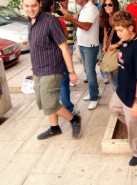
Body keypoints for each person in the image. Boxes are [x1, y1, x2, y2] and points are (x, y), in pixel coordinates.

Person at [23, 0, 82, 140]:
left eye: (34, 6)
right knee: (43, 101)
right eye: (27, 6)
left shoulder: (50, 21)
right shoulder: (30, 22)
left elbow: (64, 47)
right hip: (38, 69)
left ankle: (74, 119)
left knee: (49, 102)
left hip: (52, 68)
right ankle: (54, 128)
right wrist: (32, 68)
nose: (30, 9)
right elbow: (35, 48)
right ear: (22, 5)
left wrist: (72, 72)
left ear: (40, 4)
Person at [109, 10, 137, 166]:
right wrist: (116, 45)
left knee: (133, 123)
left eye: (121, 30)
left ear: (131, 28)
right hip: (123, 90)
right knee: (113, 108)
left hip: (135, 94)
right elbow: (122, 47)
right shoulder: (127, 41)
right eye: (117, 30)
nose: (118, 33)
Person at [60, 0, 100, 110]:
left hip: (90, 46)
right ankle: (94, 92)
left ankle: (94, 98)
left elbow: (86, 26)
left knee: (90, 73)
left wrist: (71, 20)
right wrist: (65, 13)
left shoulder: (92, 8)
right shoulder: (83, 8)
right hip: (82, 44)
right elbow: (75, 18)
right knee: (87, 71)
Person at [50, 0, 79, 115]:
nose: (65, 2)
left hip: (62, 49)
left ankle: (58, 109)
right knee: (63, 82)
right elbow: (65, 35)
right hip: (62, 50)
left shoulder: (68, 13)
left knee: (59, 83)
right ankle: (68, 109)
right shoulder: (56, 18)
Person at [99, 0, 121, 91]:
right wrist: (104, 46)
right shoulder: (106, 18)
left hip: (120, 50)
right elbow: (106, 35)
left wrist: (116, 44)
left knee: (116, 79)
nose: (107, 6)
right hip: (111, 51)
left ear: (115, 5)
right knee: (112, 76)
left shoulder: (119, 19)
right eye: (105, 5)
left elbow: (127, 35)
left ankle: (120, 99)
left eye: (110, 5)